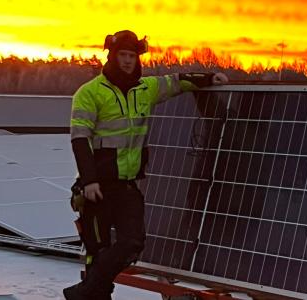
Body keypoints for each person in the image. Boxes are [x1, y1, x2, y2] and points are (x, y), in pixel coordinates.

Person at [65, 29, 228, 300]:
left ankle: (84, 292)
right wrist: (89, 180)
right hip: (97, 187)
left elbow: (176, 82)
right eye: (122, 55)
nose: (128, 61)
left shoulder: (146, 89)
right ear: (112, 56)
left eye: (132, 56)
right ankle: (94, 294)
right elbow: (80, 140)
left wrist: (209, 78)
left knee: (132, 242)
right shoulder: (89, 93)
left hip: (127, 186)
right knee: (97, 252)